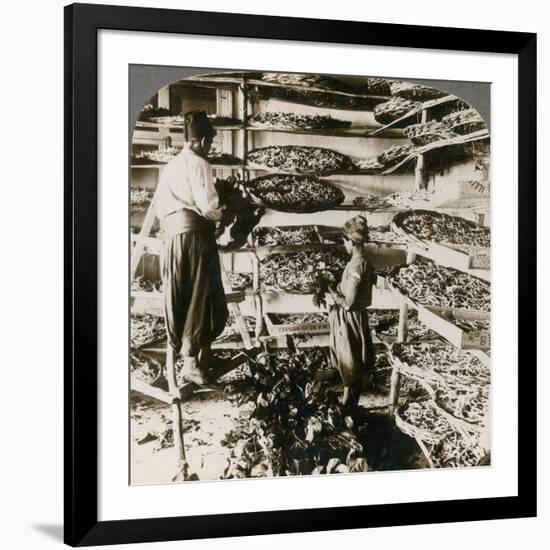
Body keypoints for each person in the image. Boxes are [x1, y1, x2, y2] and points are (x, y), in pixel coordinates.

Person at [155, 110, 228, 386]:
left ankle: (194, 357)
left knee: (181, 294)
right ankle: (190, 361)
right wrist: (224, 211)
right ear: (201, 141)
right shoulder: (198, 163)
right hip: (194, 237)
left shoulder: (172, 165)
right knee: (202, 295)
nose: (209, 149)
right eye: (209, 143)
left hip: (172, 239)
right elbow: (208, 206)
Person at [325, 215, 376, 407]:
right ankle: (350, 407)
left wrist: (330, 289)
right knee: (352, 365)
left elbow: (348, 303)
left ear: (349, 241)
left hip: (349, 320)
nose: (344, 245)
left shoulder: (356, 265)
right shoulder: (363, 261)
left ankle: (348, 409)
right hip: (355, 318)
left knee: (350, 365)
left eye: (345, 241)